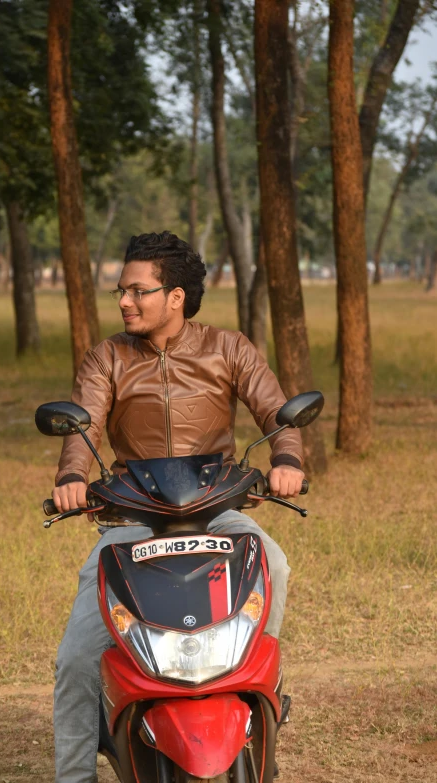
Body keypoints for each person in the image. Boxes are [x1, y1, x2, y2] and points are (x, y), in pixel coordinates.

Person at [51, 231, 304, 783]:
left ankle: (260, 690)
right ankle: (73, 776)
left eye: (138, 291)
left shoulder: (228, 348)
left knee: (274, 563)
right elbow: (83, 423)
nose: (124, 301)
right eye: (122, 290)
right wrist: (72, 475)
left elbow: (277, 411)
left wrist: (287, 459)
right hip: (133, 521)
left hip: (214, 512)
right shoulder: (108, 357)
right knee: (76, 657)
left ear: (176, 297)